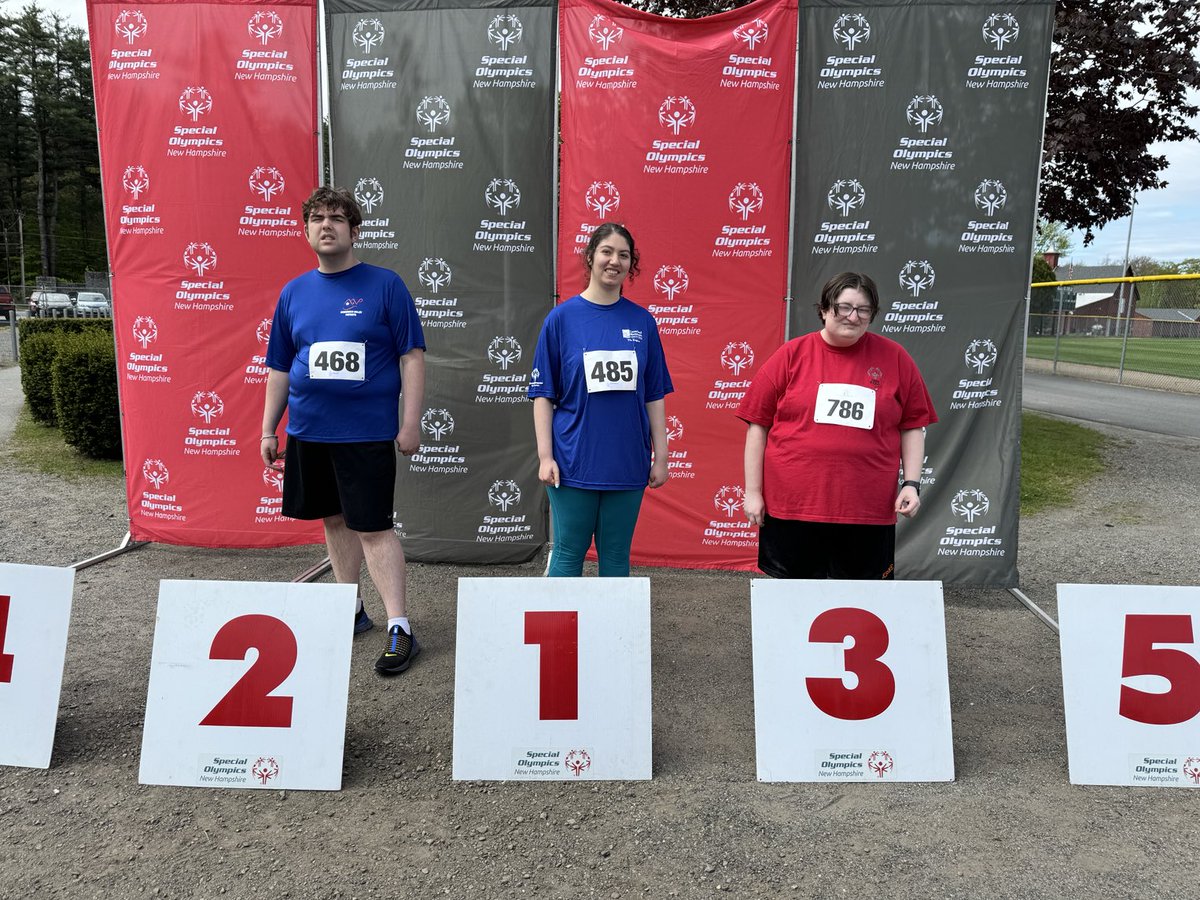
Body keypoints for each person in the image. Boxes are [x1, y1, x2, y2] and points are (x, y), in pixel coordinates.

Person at [261, 186, 426, 674]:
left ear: (355, 231)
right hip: (310, 432)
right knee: (333, 521)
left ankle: (401, 628)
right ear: (306, 229)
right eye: (317, 218)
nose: (326, 225)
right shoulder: (293, 292)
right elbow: (280, 367)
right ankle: (348, 610)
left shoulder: (385, 285)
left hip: (366, 433)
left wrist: (410, 421)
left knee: (372, 527)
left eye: (337, 218)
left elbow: (412, 356)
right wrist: (269, 429)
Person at [737, 271, 937, 579]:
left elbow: (912, 426)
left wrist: (911, 483)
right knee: (793, 602)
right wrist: (753, 492)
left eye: (863, 309)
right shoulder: (790, 356)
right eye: (844, 307)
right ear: (825, 309)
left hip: (867, 510)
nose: (853, 316)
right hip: (794, 507)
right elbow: (758, 426)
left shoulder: (896, 358)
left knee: (860, 604)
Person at [528, 222, 673, 576]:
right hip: (572, 460)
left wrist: (662, 456)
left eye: (624, 255)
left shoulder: (643, 322)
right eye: (607, 252)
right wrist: (546, 455)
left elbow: (653, 394)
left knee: (615, 557)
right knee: (567, 553)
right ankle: (561, 632)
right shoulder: (561, 319)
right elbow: (543, 395)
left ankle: (614, 634)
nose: (615, 261)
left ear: (631, 264)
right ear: (591, 257)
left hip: (626, 461)